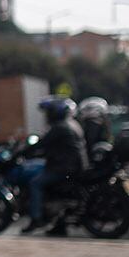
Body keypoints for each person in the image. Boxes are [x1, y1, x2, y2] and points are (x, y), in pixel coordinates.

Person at [21, 97, 87, 233]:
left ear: (55, 113)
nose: (47, 115)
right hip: (74, 166)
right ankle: (58, 225)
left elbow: (42, 143)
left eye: (49, 112)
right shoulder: (72, 124)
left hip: (65, 168)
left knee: (35, 183)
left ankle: (36, 219)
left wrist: (23, 151)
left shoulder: (60, 127)